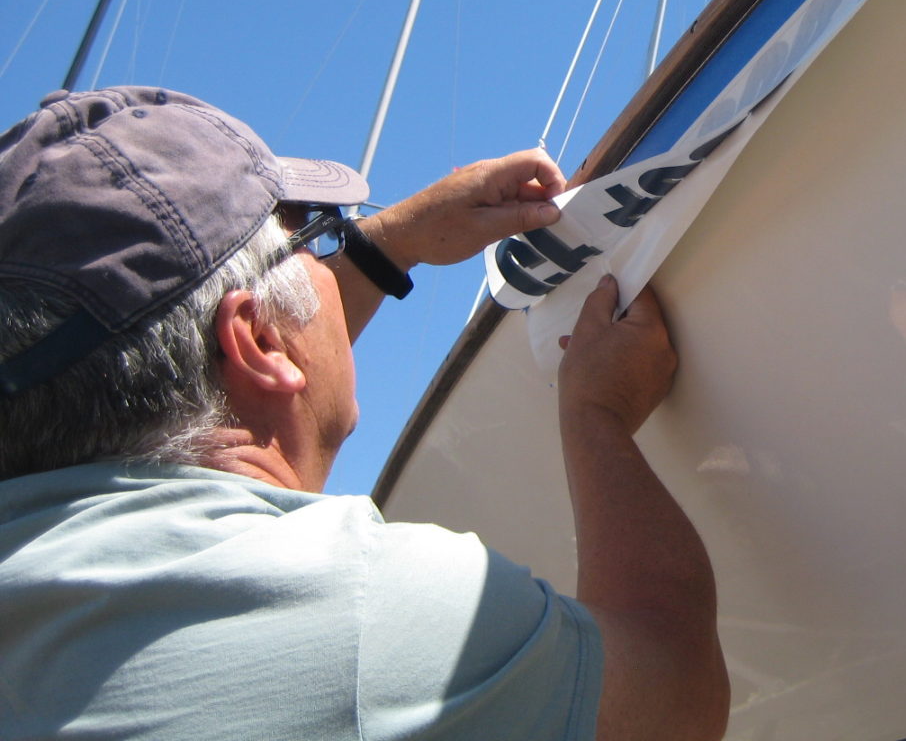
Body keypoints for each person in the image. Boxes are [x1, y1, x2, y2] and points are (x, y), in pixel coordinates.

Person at [0, 86, 728, 741]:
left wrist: (388, 244)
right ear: (257, 338)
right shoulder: (351, 615)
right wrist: (596, 414)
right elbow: (673, 698)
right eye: (311, 241)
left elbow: (245, 366)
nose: (329, 257)